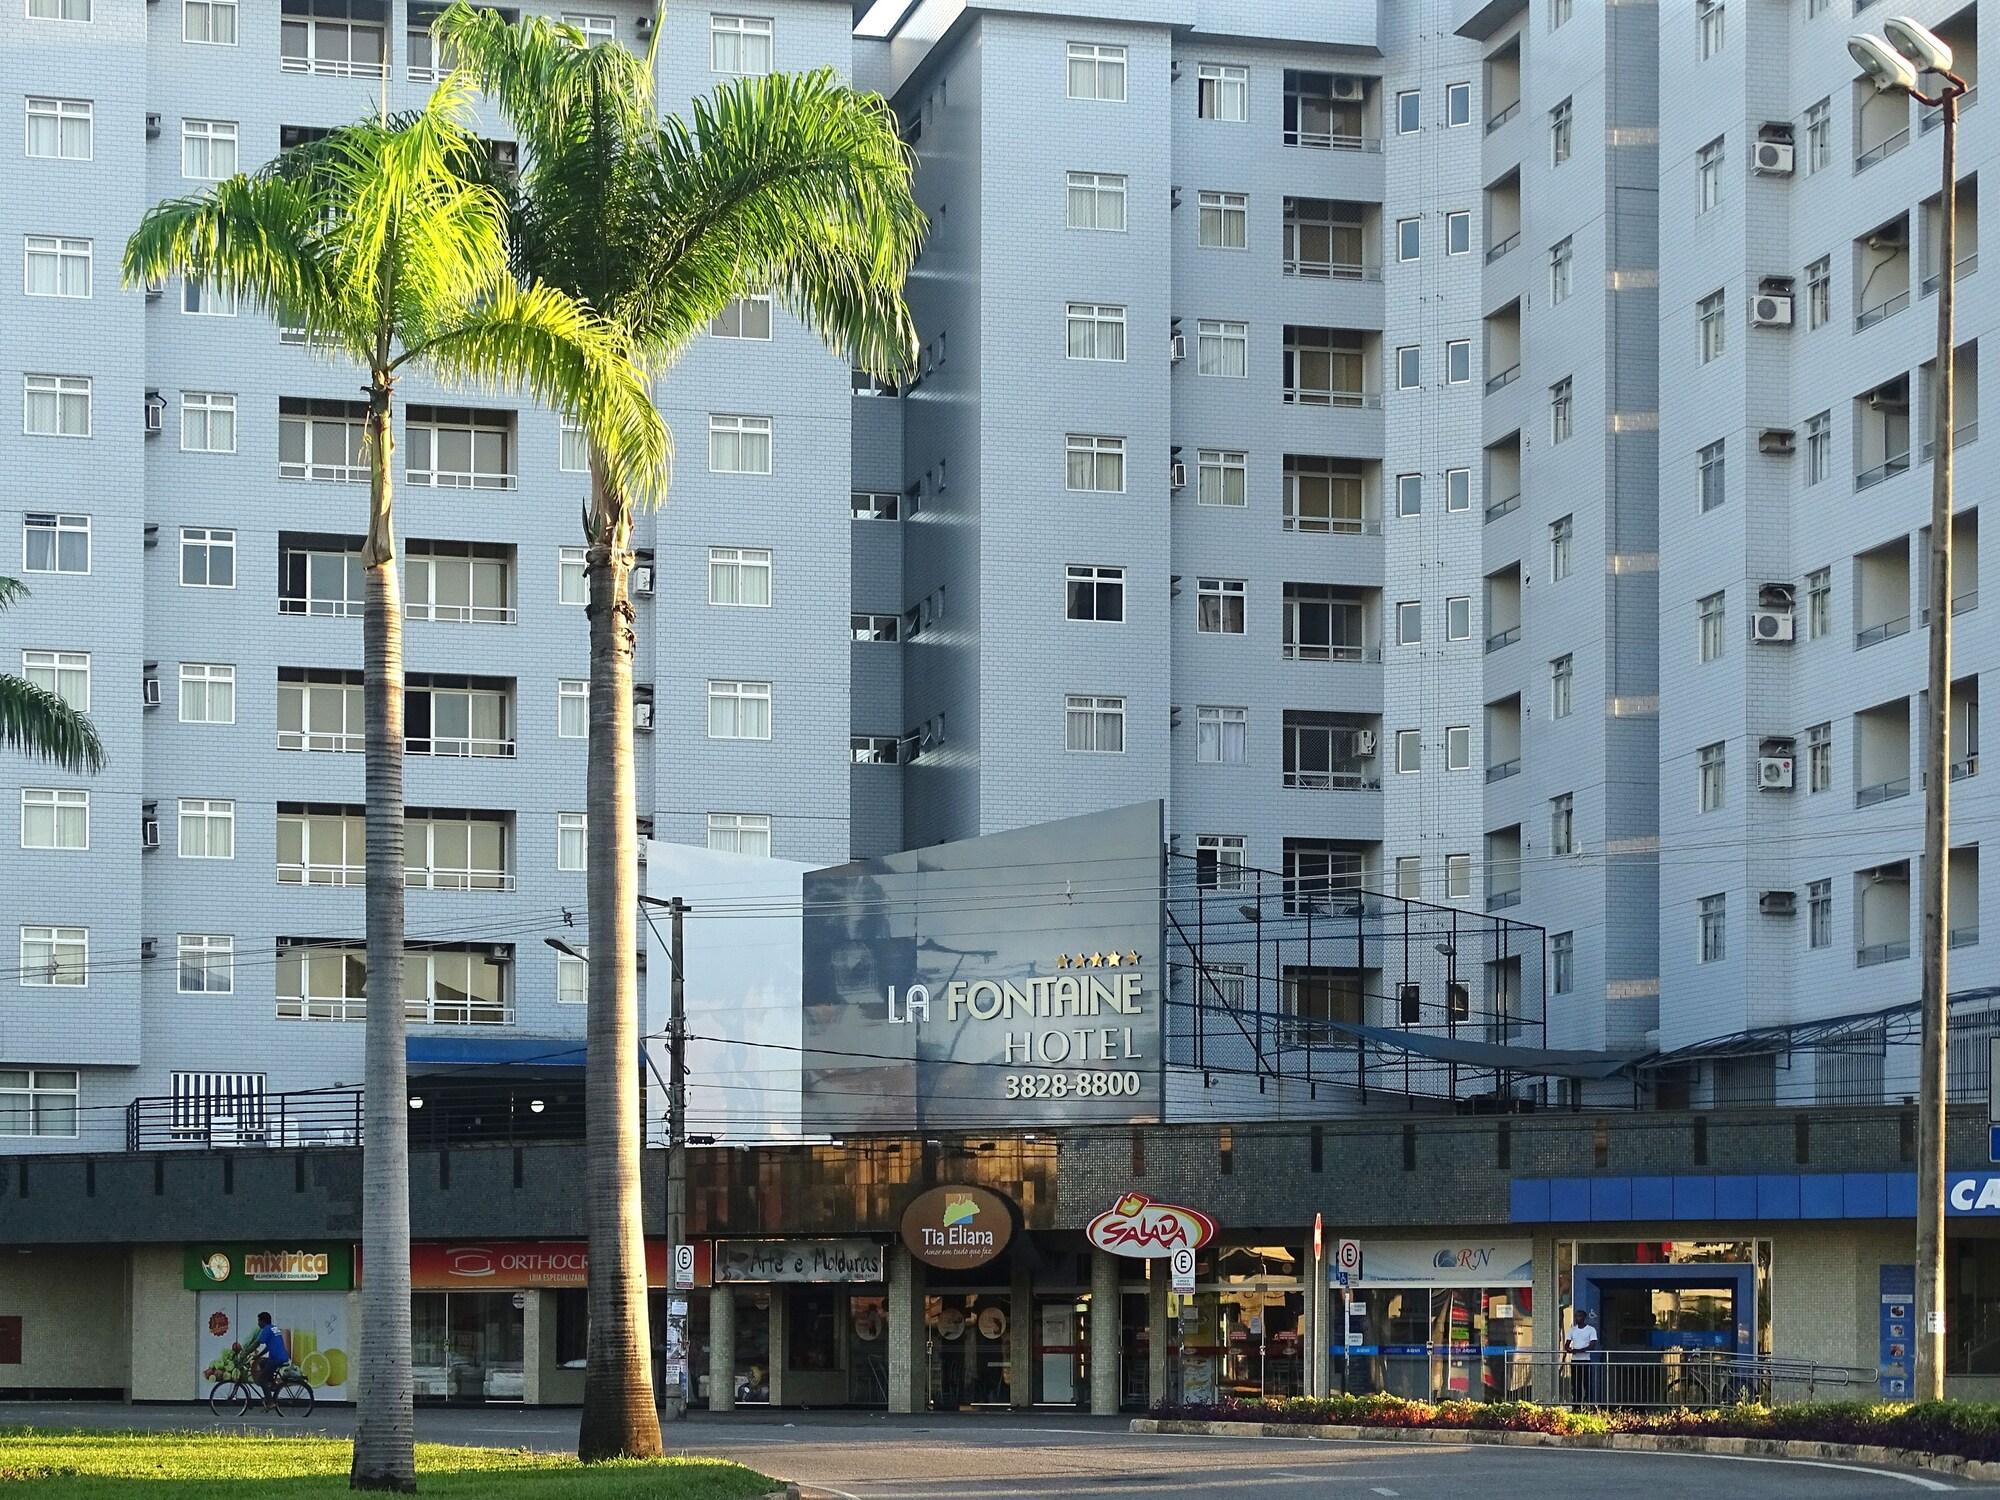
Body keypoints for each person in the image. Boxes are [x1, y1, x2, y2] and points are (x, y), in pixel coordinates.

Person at [246, 1312, 291, 1408]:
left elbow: (257, 1343)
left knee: (262, 1380)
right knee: (262, 1362)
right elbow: (269, 1346)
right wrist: (259, 1356)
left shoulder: (266, 1330)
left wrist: (245, 1353)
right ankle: (272, 1383)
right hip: (281, 1356)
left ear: (263, 1321)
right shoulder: (274, 1328)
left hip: (275, 1358)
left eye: (258, 1321)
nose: (258, 1323)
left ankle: (270, 1403)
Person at [1562, 1306, 1599, 1406]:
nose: (1577, 1318)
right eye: (1576, 1316)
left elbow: (1592, 1346)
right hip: (1575, 1361)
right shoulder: (1572, 1330)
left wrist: (1578, 1350)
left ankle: (1588, 1405)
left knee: (1587, 1384)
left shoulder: (1591, 1330)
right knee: (1575, 1384)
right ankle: (1576, 1405)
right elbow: (1566, 1345)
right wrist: (1569, 1350)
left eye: (1579, 1316)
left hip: (1585, 1360)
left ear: (1584, 1318)